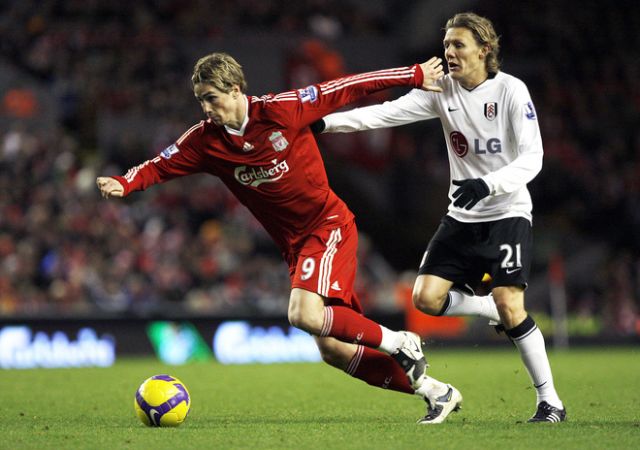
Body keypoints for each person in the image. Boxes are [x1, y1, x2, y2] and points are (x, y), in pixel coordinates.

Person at [96, 52, 463, 424]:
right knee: (334, 349)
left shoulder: (282, 110)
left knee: (303, 314)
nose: (206, 108)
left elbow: (347, 87)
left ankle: (400, 342)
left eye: (212, 98)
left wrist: (413, 74)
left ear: (235, 89)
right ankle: (436, 392)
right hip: (294, 246)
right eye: (201, 100)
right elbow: (161, 164)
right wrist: (126, 182)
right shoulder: (205, 141)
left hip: (327, 226)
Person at [314, 12, 566, 423]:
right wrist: (323, 124)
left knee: (510, 303)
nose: (449, 52)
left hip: (507, 213)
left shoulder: (510, 91)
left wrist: (488, 185)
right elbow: (383, 114)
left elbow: (533, 157)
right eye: (446, 44)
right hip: (461, 216)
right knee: (425, 299)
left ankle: (549, 400)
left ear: (484, 50)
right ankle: (484, 307)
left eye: (458, 44)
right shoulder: (441, 90)